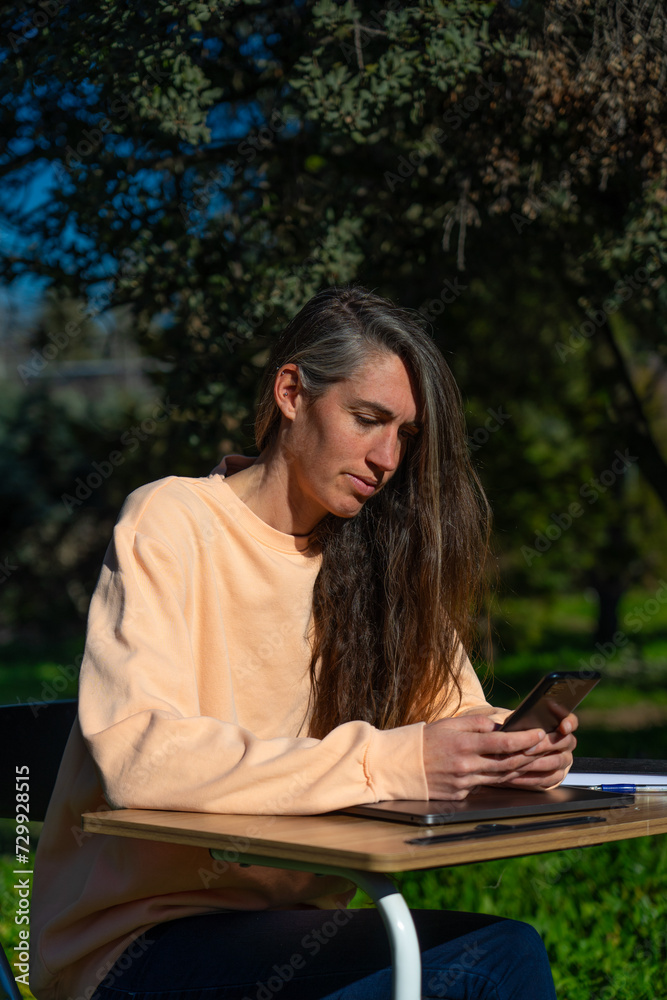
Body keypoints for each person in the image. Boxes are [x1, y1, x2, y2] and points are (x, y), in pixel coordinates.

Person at [30, 285, 577, 1000]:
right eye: (367, 419)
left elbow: (453, 717)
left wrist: (512, 747)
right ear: (291, 392)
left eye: (406, 435)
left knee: (501, 952)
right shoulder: (172, 520)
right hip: (135, 944)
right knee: (494, 961)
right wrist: (392, 761)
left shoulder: (376, 560)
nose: (387, 457)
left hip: (293, 933)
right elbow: (142, 758)